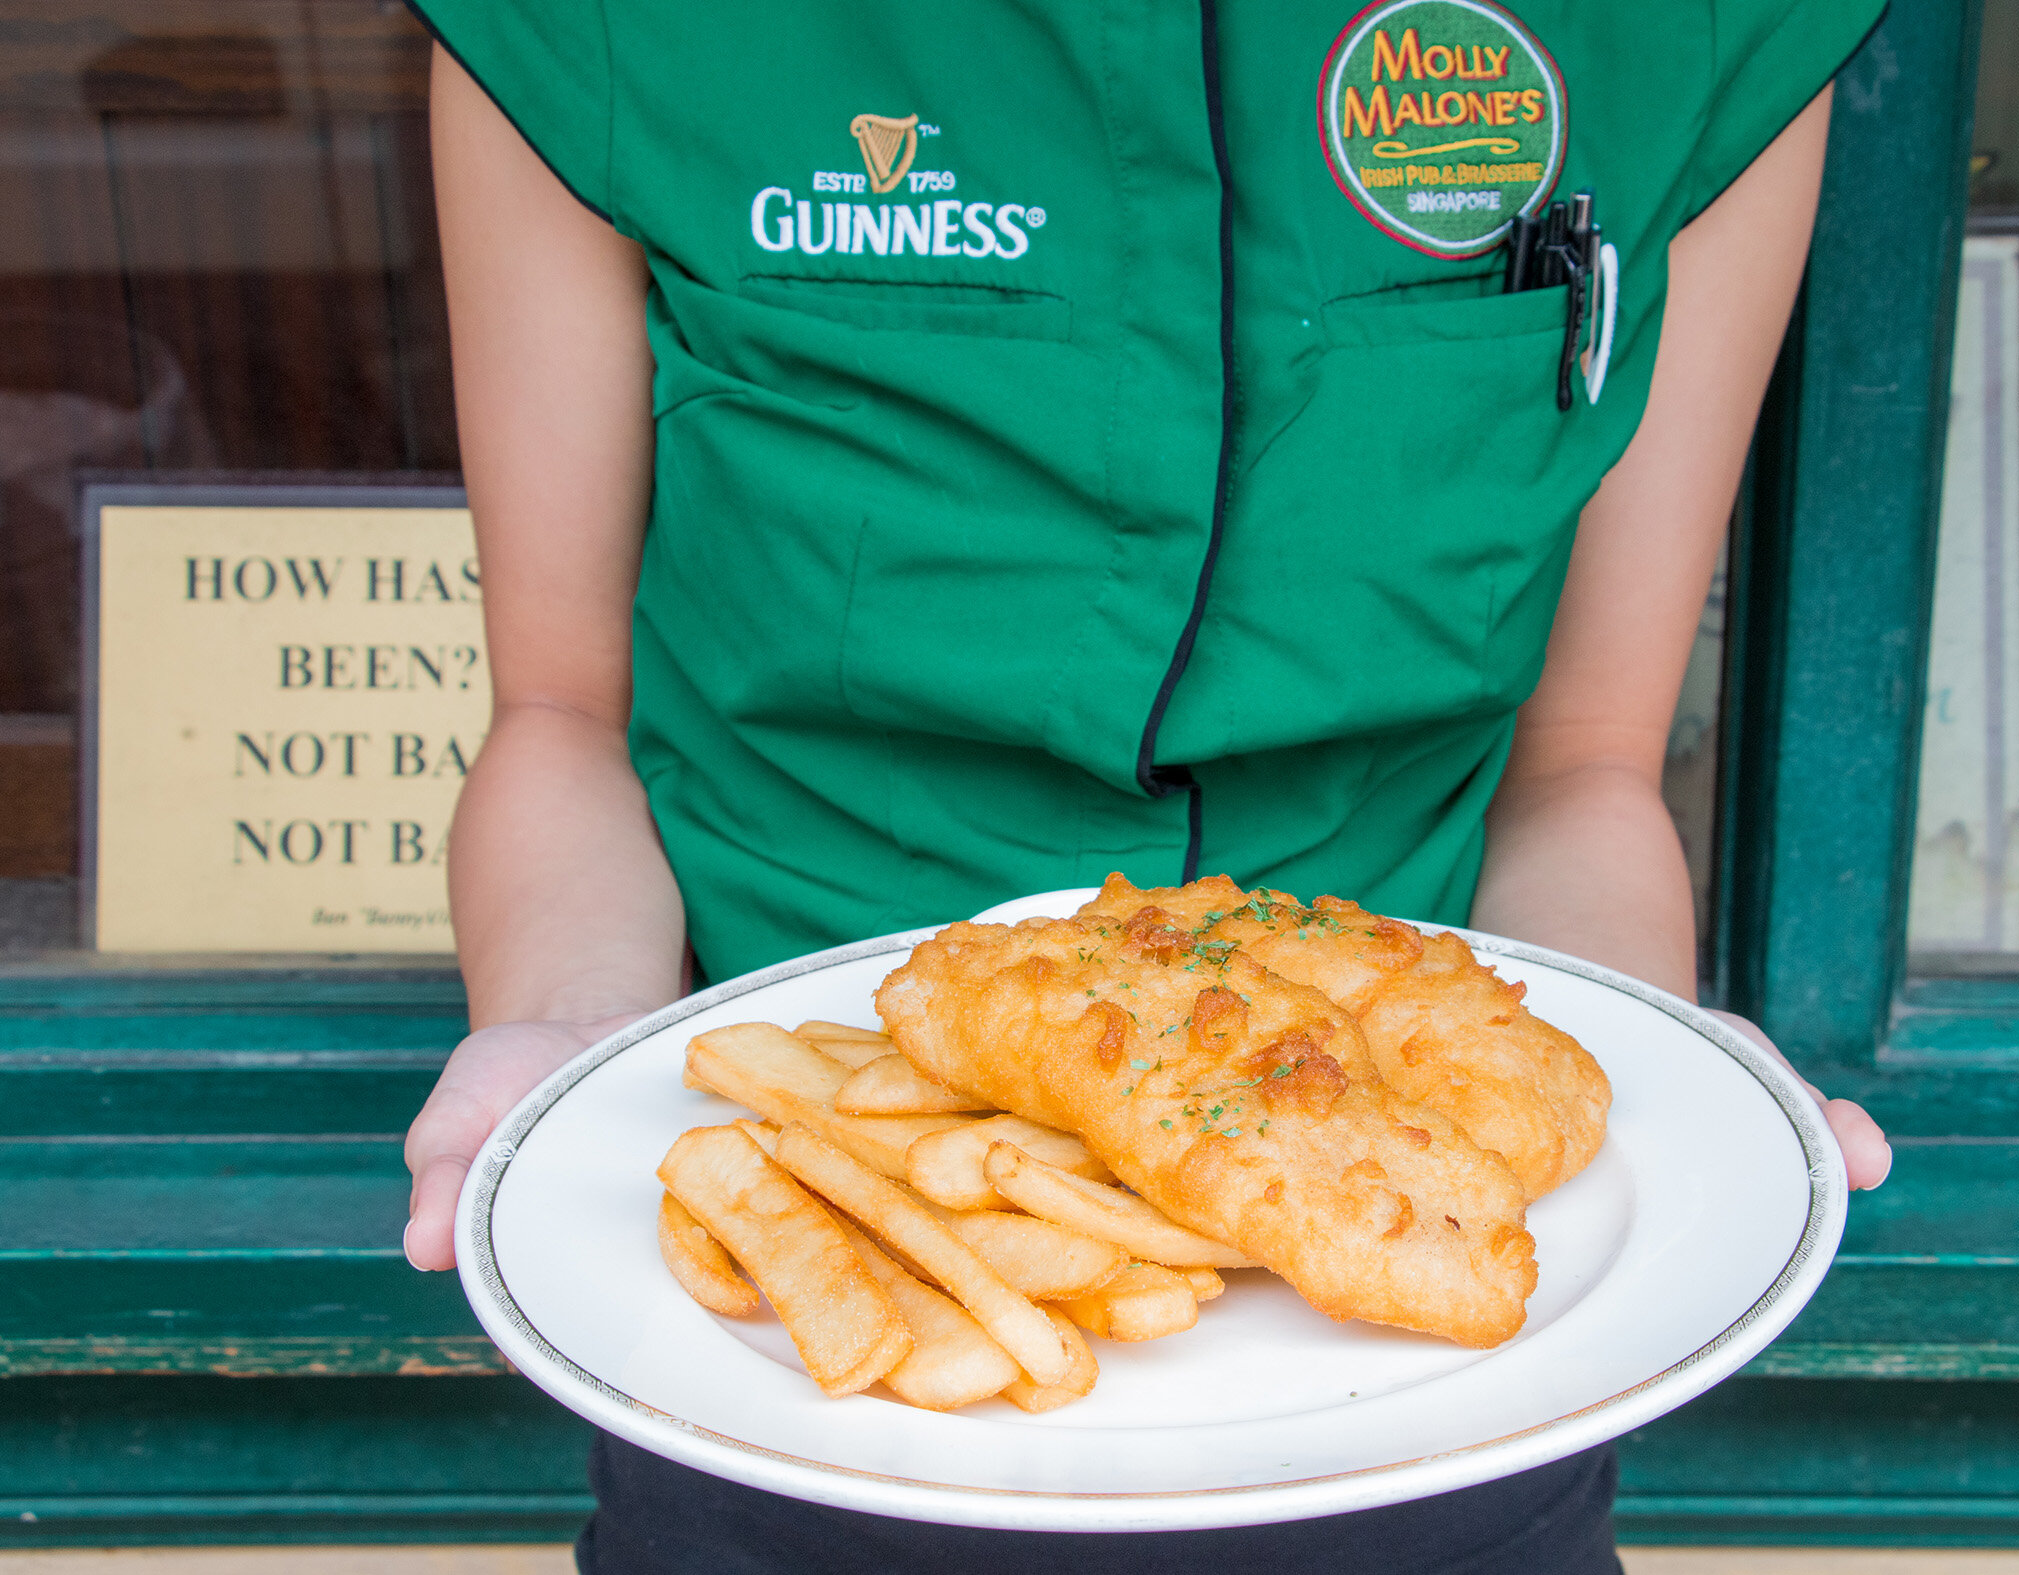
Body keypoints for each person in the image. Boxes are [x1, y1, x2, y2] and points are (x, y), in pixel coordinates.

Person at [398, 1, 1895, 1570]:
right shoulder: (585, 28)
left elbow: (1580, 769)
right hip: (807, 1332)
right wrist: (570, 1041)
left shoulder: (1702, 32)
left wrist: (1648, 1085)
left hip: (1439, 1399)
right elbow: (564, 715)